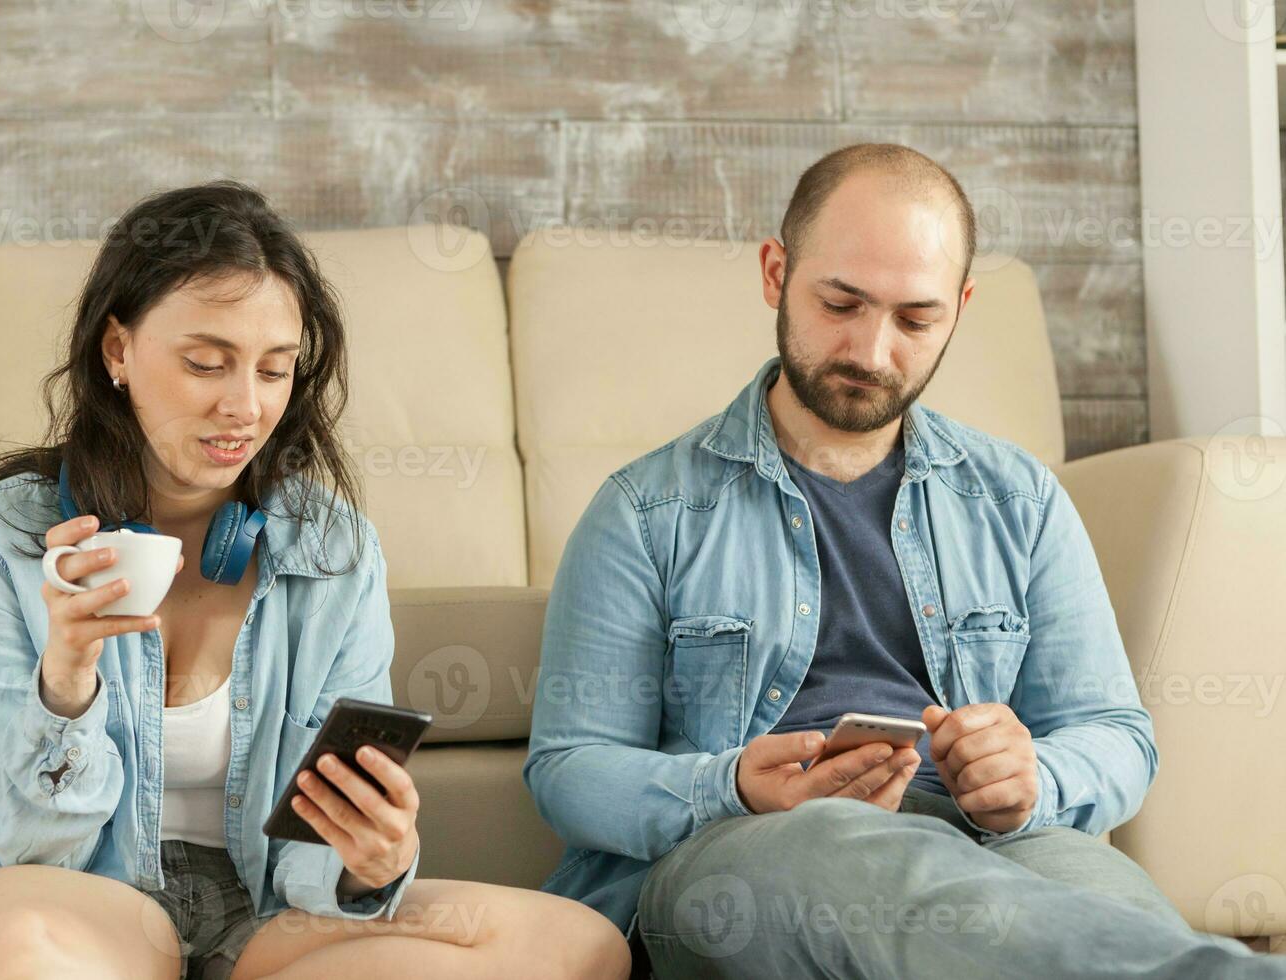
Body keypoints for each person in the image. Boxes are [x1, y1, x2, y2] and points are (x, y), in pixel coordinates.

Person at [523, 143, 1284, 978]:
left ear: (959, 307)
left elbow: (1116, 737)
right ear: (775, 273)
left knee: (1106, 906)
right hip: (737, 852)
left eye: (914, 320)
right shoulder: (646, 510)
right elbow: (569, 769)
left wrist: (1033, 779)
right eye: (840, 303)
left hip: (994, 842)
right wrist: (731, 786)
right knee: (845, 854)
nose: (871, 352)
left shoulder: (1018, 500)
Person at [0, 180, 630, 980]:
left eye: (274, 371)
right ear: (117, 351)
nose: (244, 407)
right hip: (86, 905)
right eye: (207, 363)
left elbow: (312, 866)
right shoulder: (4, 538)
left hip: (267, 918)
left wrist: (369, 861)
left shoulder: (332, 547)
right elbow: (28, 849)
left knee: (580, 945)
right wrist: (66, 683)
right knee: (8, 940)